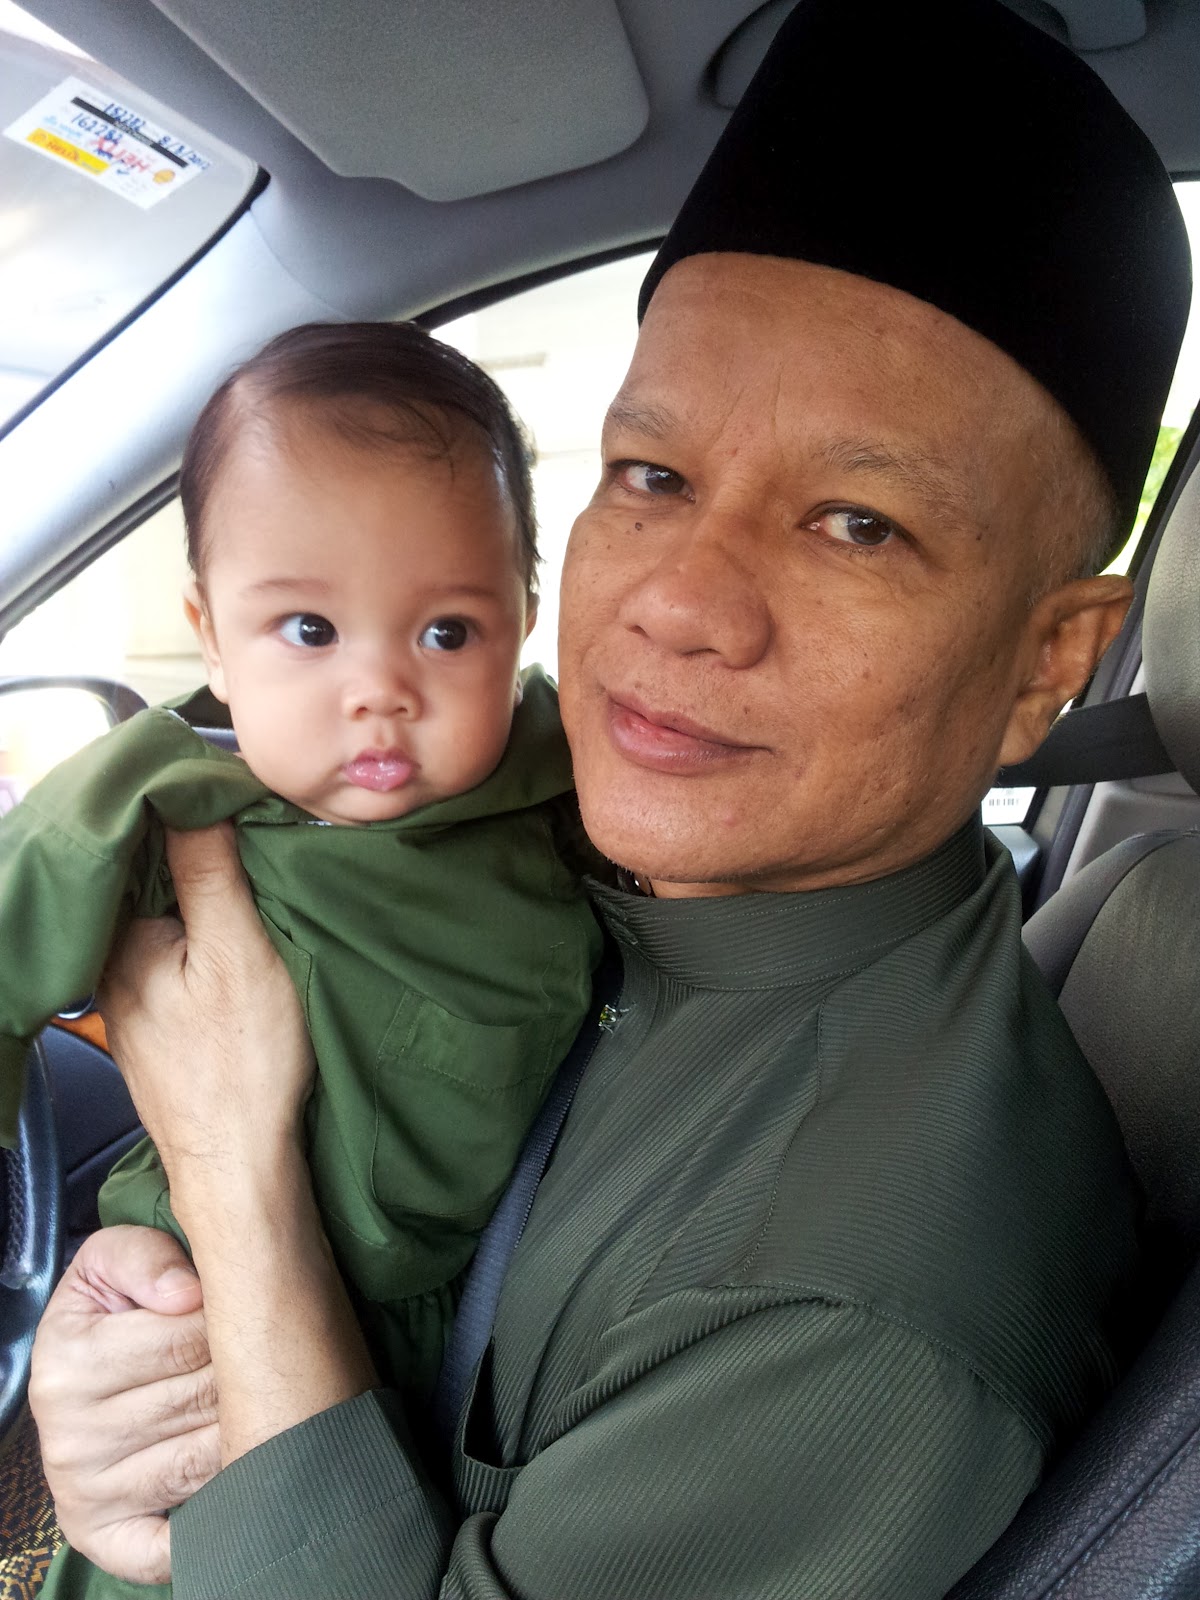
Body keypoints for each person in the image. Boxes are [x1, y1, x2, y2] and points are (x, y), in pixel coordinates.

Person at [29, 0, 1193, 1595]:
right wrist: (136, 1373)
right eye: (651, 477)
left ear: (1047, 660)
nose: (680, 602)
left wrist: (234, 1179)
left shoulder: (860, 1312)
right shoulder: (535, 837)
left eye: (857, 525)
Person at [0, 321, 600, 1419]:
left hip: (479, 1302)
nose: (379, 690)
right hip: (211, 1295)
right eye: (311, 628)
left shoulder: (565, 775)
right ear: (211, 637)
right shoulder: (157, 800)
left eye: (448, 633)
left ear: (522, 619)